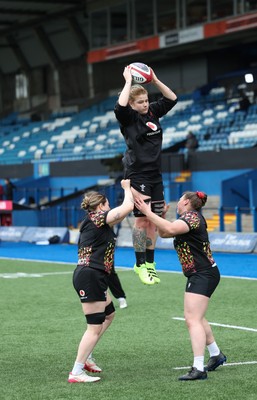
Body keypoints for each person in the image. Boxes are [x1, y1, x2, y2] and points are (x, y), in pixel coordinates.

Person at [134, 191, 226, 381]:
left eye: (180, 199)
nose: (177, 202)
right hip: (201, 273)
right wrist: (160, 217)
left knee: (192, 319)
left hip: (203, 274)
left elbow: (171, 229)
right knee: (196, 317)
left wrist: (147, 212)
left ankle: (199, 368)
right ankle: (216, 355)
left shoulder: (192, 217)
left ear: (185, 202)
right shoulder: (188, 218)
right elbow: (166, 232)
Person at [114, 65, 177, 285]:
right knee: (141, 222)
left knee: (154, 221)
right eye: (140, 102)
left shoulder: (153, 112)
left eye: (146, 101)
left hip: (155, 176)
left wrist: (155, 80)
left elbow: (172, 99)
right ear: (132, 104)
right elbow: (120, 106)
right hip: (137, 175)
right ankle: (139, 264)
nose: (145, 104)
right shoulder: (128, 118)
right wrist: (128, 82)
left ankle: (150, 263)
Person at [68, 179, 134, 383]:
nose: (109, 208)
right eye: (107, 204)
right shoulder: (96, 217)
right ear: (99, 207)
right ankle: (77, 371)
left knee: (109, 314)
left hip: (95, 275)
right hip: (90, 275)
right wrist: (127, 189)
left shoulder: (98, 221)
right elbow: (127, 208)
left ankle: (86, 357)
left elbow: (121, 214)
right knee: (94, 327)